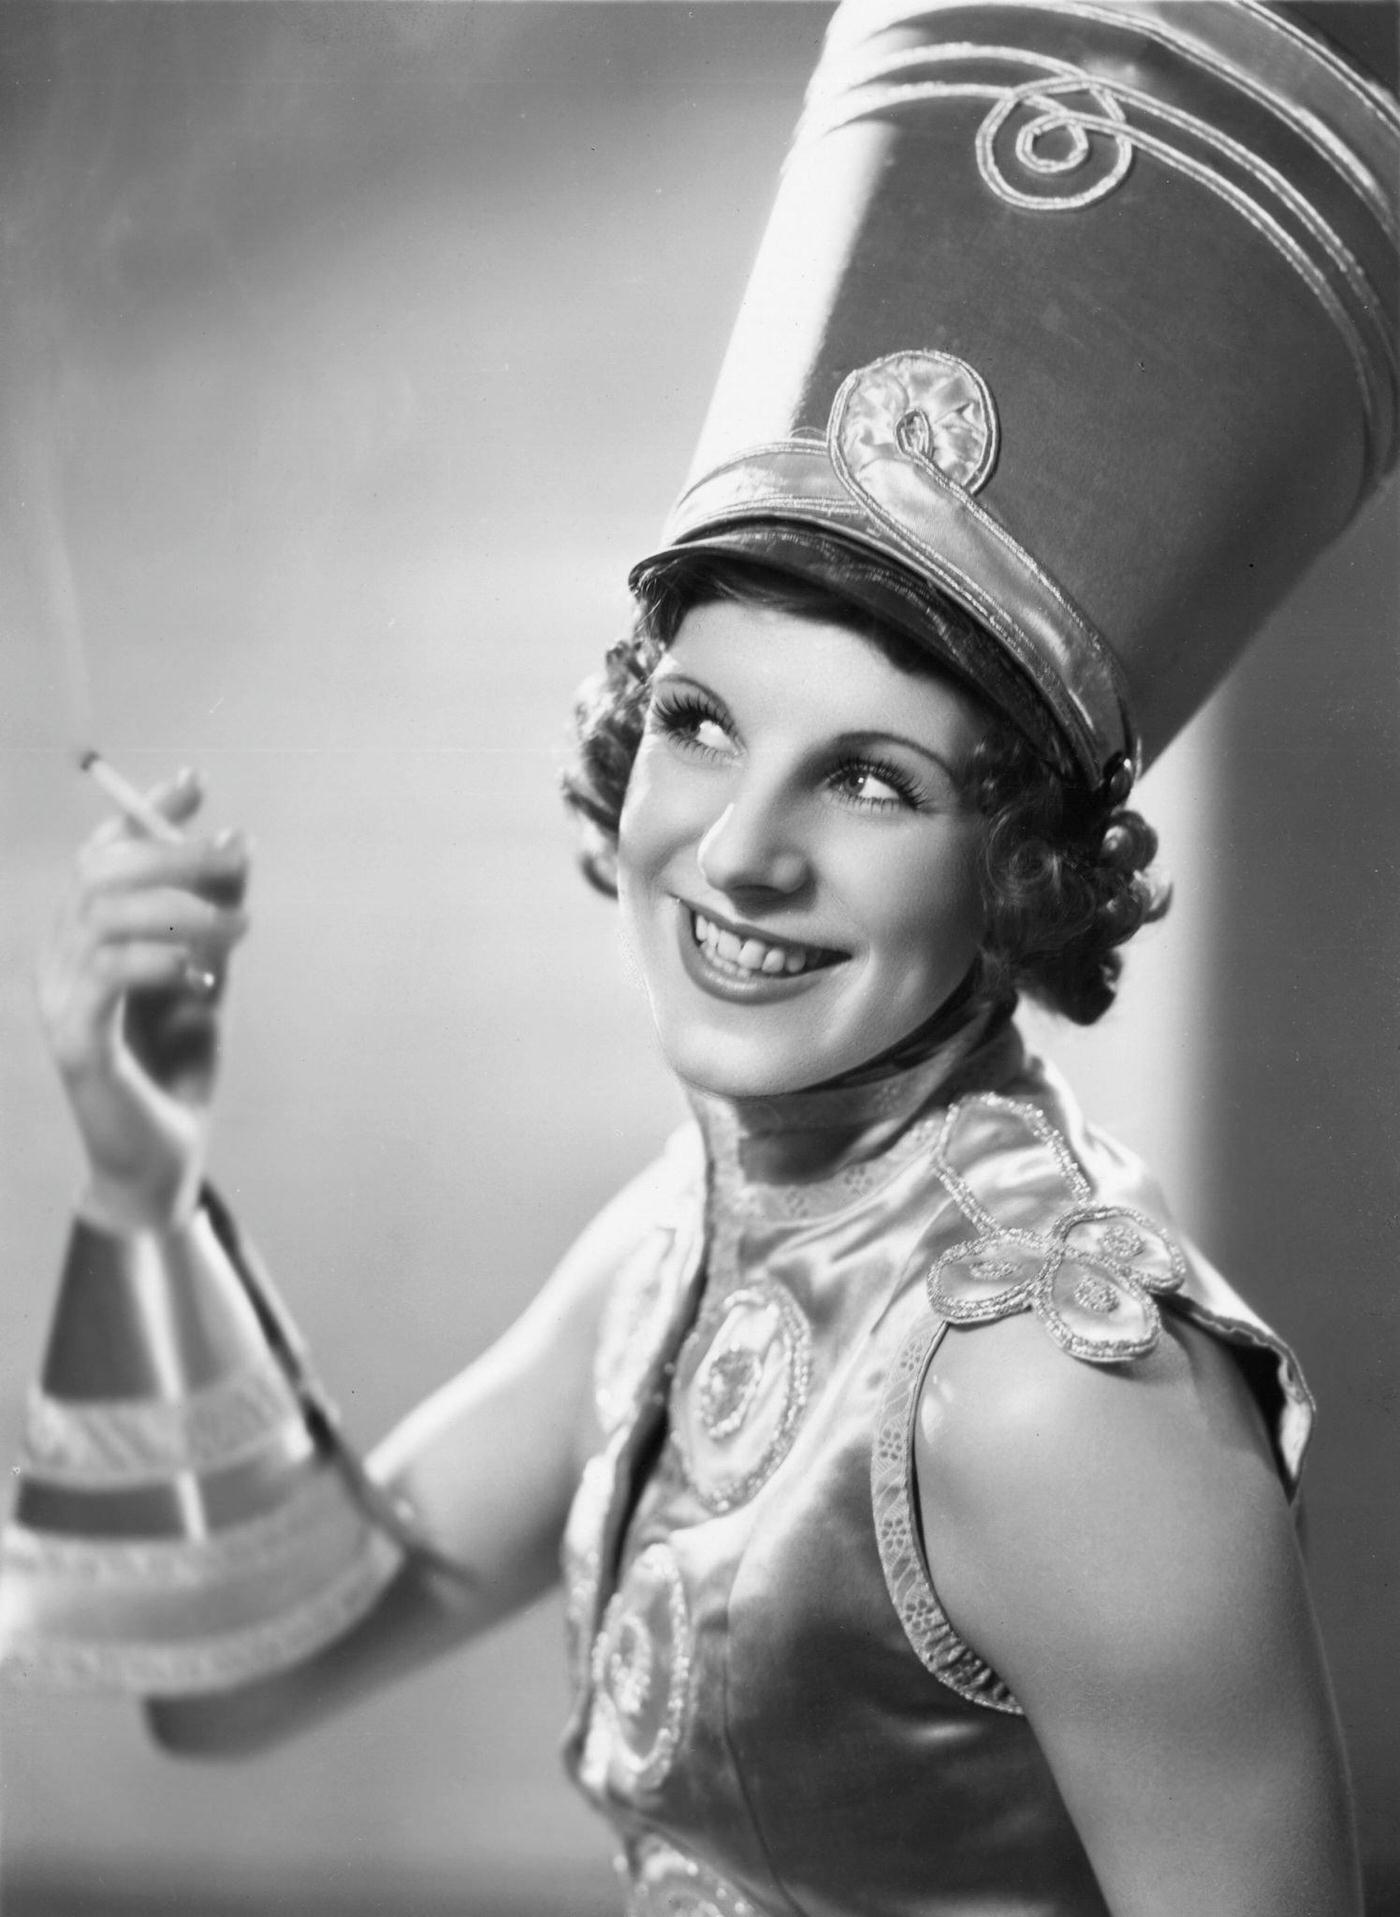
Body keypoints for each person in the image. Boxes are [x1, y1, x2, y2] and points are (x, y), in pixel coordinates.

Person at [2, 4, 1396, 1914]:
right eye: (703, 719)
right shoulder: (681, 1244)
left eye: (876, 779)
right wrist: (143, 1180)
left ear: (1024, 871)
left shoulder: (1066, 1406)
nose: (742, 850)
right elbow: (233, 1687)